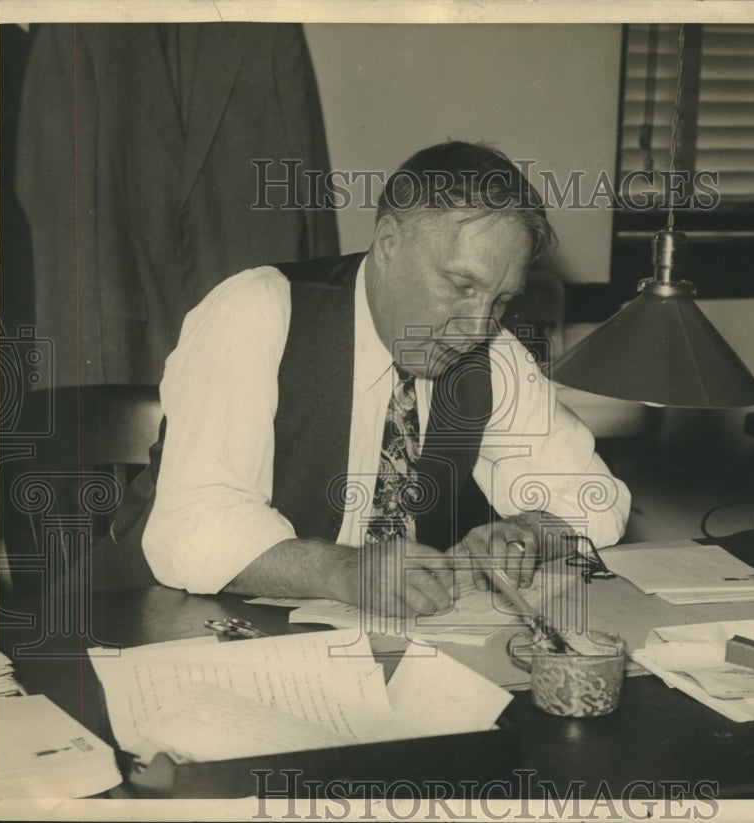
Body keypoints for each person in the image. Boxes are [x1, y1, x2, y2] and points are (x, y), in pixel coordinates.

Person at [142, 141, 630, 617]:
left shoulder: (492, 352)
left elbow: (596, 497)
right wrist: (346, 571)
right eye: (461, 286)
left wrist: (527, 533)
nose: (478, 325)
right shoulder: (258, 310)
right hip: (155, 623)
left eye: (501, 299)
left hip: (356, 648)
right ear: (389, 244)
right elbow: (192, 525)